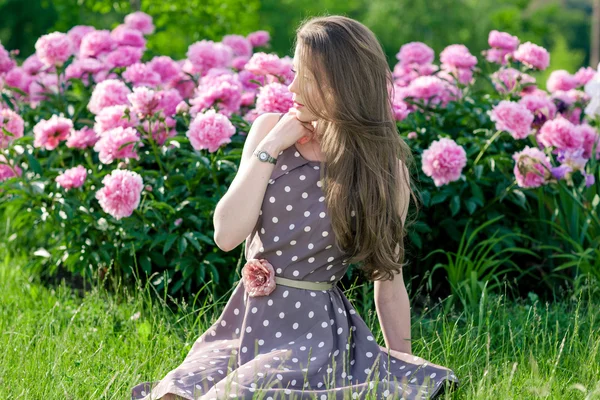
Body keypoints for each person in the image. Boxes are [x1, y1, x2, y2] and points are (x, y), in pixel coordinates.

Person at [131, 15, 460, 400]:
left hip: (314, 335)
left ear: (343, 85)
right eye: (293, 72)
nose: (291, 87)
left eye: (307, 77)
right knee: (175, 393)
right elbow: (226, 235)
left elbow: (388, 283)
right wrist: (271, 146)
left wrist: (403, 369)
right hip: (242, 325)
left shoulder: (384, 171)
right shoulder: (270, 132)